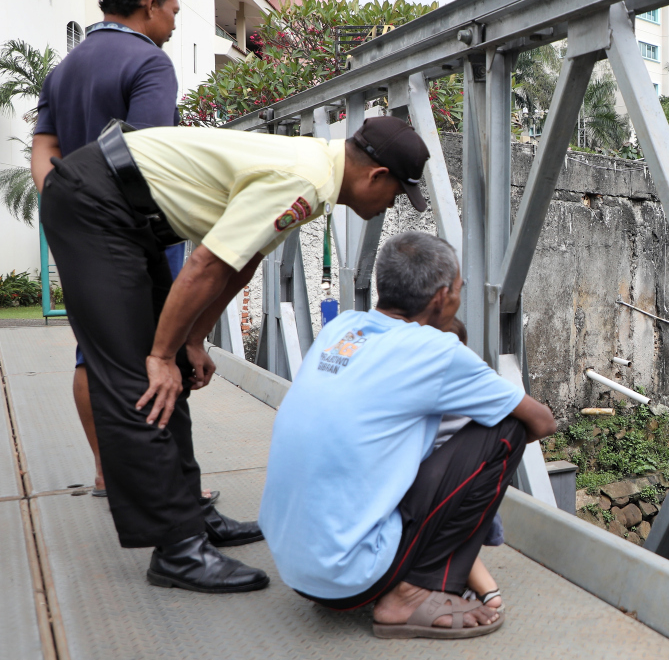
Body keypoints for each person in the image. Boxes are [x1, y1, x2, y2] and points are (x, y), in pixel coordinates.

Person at [39, 114, 430, 594]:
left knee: (171, 365)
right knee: (138, 376)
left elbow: (243, 263)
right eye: (393, 196)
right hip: (93, 202)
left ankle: (190, 515)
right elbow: (206, 261)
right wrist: (161, 355)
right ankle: (177, 550)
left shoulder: (313, 172)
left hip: (126, 209)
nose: (387, 208)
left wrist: (191, 340)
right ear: (376, 176)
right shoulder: (303, 179)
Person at [260, 232, 557, 639]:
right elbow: (542, 422)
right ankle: (413, 595)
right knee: (507, 429)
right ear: (440, 298)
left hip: (296, 567)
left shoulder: (342, 327)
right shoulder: (434, 349)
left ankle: (395, 572)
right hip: (351, 579)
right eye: (458, 289)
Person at [30, 0, 216, 504]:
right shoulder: (149, 62)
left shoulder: (64, 69)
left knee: (93, 351)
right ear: (149, 6)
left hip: (77, 227)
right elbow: (149, 153)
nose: (176, 22)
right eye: (174, 10)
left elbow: (44, 149)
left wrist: (68, 202)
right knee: (159, 351)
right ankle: (166, 484)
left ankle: (108, 473)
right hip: (135, 229)